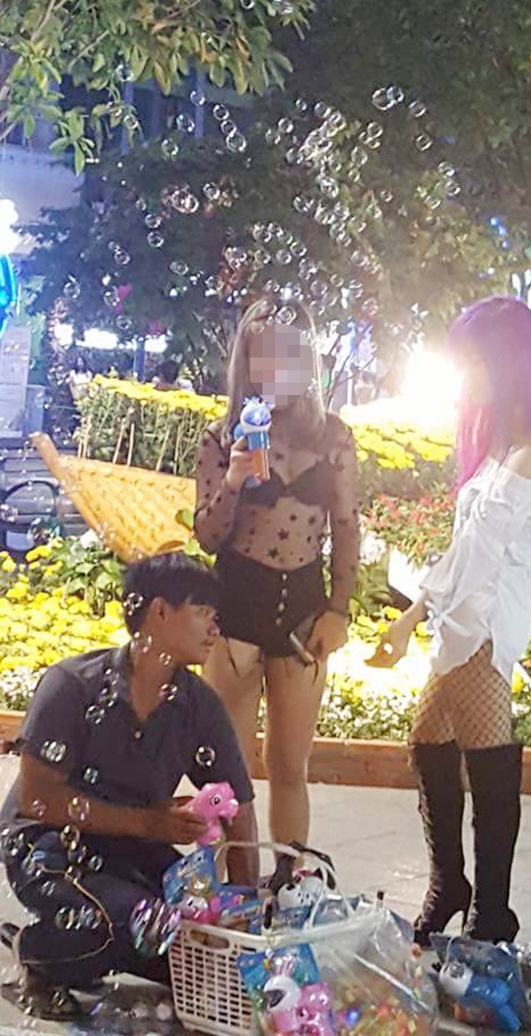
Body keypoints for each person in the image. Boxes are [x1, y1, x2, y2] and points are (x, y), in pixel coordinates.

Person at [370, 296, 531, 946]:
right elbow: (463, 552)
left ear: (508, 364)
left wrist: (418, 619)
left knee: (485, 764)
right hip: (461, 624)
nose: (464, 376)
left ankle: (489, 909)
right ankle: (455, 886)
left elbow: (479, 562)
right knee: (429, 742)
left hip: (485, 627)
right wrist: (412, 619)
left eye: (473, 362)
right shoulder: (498, 451)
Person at [0, 553, 258, 1018]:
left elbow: (239, 809)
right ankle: (38, 953)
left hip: (136, 848)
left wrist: (244, 917)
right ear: (159, 611)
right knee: (122, 924)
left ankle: (99, 944)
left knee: (195, 948)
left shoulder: (200, 706)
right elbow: (37, 799)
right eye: (203, 612)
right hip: (49, 842)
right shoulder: (72, 685)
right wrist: (149, 823)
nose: (214, 629)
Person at [194, 297, 359, 848]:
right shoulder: (221, 437)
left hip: (304, 613)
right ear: (246, 362)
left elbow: (347, 526)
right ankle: (225, 885)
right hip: (235, 608)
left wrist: (339, 610)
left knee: (290, 765)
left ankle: (291, 877)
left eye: (289, 355)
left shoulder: (333, 437)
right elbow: (207, 536)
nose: (276, 369)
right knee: (227, 777)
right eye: (262, 355)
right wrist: (234, 481)